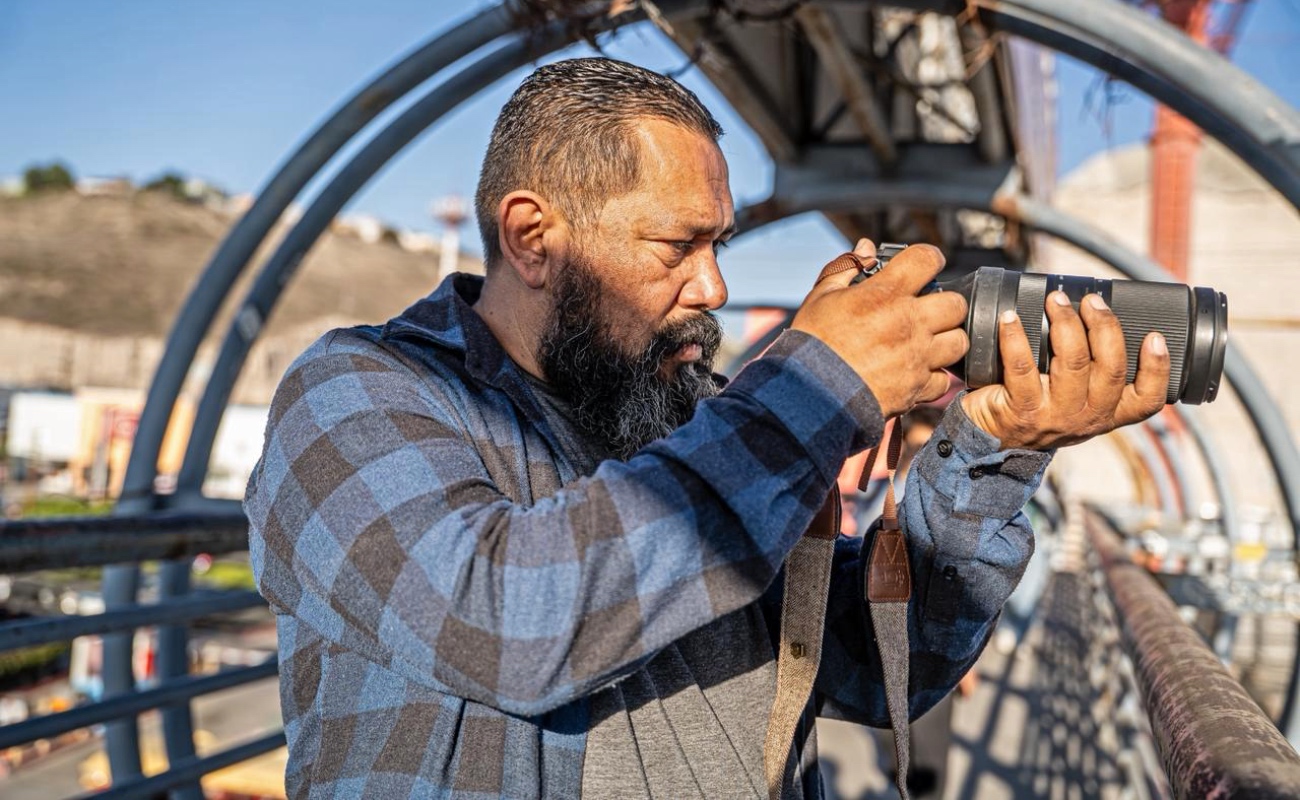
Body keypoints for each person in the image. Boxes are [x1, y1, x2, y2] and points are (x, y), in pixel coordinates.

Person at [244, 57, 1169, 799]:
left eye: (718, 244)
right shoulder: (357, 395)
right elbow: (509, 624)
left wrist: (993, 449)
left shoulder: (676, 413)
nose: (714, 287)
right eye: (676, 245)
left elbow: (886, 660)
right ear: (532, 237)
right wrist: (818, 386)